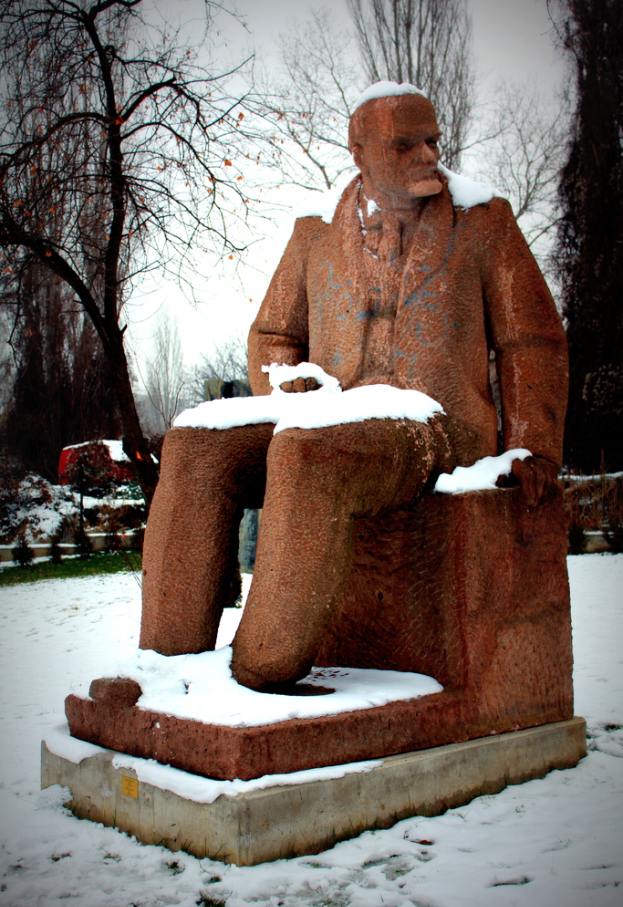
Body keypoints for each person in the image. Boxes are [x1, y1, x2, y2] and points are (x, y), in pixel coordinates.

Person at [140, 83, 568, 692]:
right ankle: (166, 671)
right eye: (405, 144)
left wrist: (533, 444)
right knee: (195, 443)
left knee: (308, 454)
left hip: (435, 427)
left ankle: (256, 677)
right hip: (328, 413)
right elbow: (272, 334)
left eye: (432, 141)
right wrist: (286, 390)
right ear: (359, 153)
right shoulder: (315, 233)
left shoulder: (484, 223)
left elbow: (533, 340)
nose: (428, 156)